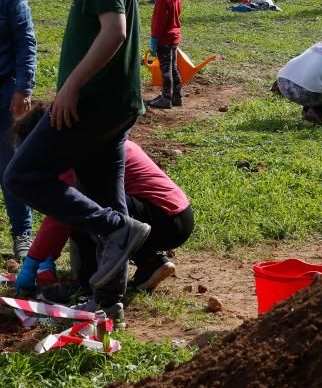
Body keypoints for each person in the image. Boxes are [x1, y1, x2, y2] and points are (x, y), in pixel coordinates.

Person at [5, 0, 150, 323]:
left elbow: (115, 32)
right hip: (115, 106)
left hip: (91, 104)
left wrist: (69, 87)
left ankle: (114, 230)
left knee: (22, 175)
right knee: (108, 196)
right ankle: (108, 301)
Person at [12, 104, 194, 299]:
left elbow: (60, 217)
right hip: (176, 217)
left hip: (162, 218)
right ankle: (150, 263)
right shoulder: (94, 142)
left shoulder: (75, 159)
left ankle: (87, 287)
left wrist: (34, 260)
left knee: (83, 211)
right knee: (103, 212)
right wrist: (47, 256)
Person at [0, 0, 36, 260]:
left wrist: (23, 89)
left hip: (6, 95)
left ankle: (22, 233)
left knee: (10, 167)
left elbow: (25, 42)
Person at [146, 0, 183, 110]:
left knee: (165, 70)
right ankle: (177, 96)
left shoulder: (162, 0)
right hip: (174, 38)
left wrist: (154, 41)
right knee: (173, 68)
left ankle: (166, 98)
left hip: (164, 40)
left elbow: (158, 23)